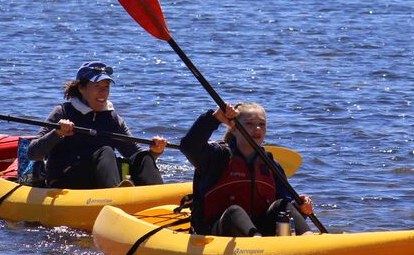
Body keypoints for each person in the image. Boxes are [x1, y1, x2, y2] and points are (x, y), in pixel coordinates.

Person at [180, 102, 314, 237]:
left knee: (283, 205)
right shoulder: (216, 157)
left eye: (262, 124)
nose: (257, 128)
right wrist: (214, 118)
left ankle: (309, 241)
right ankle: (256, 243)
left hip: (260, 229)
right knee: (234, 211)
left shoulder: (271, 165)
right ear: (234, 129)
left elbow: (285, 201)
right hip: (218, 231)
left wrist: (300, 207)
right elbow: (188, 146)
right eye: (250, 124)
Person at [27, 61, 166, 189]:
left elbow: (134, 154)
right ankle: (115, 199)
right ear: (81, 88)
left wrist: (155, 151)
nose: (103, 92)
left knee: (143, 157)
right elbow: (33, 153)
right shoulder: (63, 112)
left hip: (100, 179)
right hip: (66, 180)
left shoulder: (112, 118)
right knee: (105, 152)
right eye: (97, 86)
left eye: (106, 87)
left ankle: (160, 200)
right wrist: (57, 133)